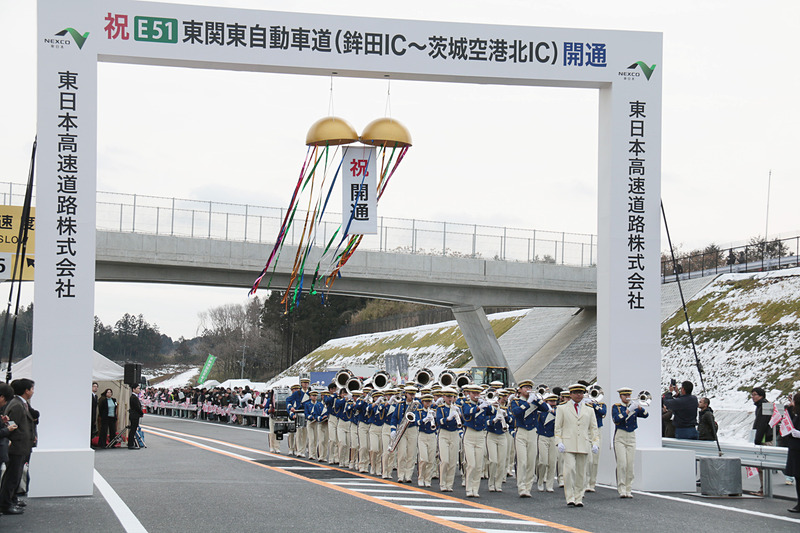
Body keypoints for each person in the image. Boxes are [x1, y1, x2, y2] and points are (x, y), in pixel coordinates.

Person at [554, 383, 599, 507]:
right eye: (576, 393)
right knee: (569, 471)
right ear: (571, 394)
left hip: (583, 443)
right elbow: (558, 427)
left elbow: (593, 428)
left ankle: (579, 497)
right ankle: (570, 497)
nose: (579, 395)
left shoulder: (589, 409)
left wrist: (595, 442)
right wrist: (559, 441)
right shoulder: (562, 408)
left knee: (581, 473)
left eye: (581, 393)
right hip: (568, 443)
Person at [0, 378, 35, 515]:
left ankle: (11, 499)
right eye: (32, 389)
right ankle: (6, 503)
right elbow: (13, 426)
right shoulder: (17, 405)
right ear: (26, 390)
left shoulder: (21, 404)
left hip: (21, 445)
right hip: (16, 446)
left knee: (16, 475)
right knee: (12, 476)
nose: (33, 392)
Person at [612, 387, 649, 498]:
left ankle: (629, 488)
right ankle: (621, 488)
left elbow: (646, 415)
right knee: (622, 463)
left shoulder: (634, 407)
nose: (627, 397)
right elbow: (617, 419)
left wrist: (639, 407)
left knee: (630, 464)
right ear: (620, 396)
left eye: (628, 395)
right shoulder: (616, 407)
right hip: (620, 435)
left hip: (631, 435)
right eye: (625, 395)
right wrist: (628, 410)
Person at [751, 386, 773, 495]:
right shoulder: (762, 406)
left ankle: (764, 489)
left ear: (761, 395)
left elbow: (762, 425)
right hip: (766, 437)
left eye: (755, 394)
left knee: (762, 466)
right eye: (752, 395)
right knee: (763, 466)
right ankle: (763, 488)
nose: (752, 397)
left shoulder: (764, 407)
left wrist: (757, 439)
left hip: (765, 438)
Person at [784, 392, 800, 513]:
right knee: (798, 478)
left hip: (797, 449)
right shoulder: (797, 414)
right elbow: (789, 421)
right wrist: (789, 408)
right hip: (795, 450)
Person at [128, 384, 144, 450]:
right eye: (138, 388)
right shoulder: (134, 397)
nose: (139, 390)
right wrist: (141, 413)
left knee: (133, 429)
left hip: (134, 415)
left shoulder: (134, 397)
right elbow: (137, 407)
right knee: (133, 430)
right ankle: (131, 444)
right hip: (134, 415)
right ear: (133, 389)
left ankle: (132, 443)